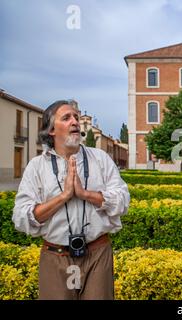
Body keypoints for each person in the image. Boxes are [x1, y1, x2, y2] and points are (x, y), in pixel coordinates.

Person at [12, 100, 130, 300]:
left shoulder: (100, 159)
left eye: (76, 117)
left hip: (97, 255)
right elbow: (21, 217)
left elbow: (123, 201)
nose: (75, 121)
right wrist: (63, 196)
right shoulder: (36, 167)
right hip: (55, 257)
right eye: (66, 118)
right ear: (51, 130)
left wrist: (85, 194)